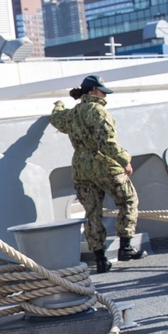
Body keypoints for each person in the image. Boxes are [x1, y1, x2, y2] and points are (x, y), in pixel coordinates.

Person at [50, 73, 145, 273]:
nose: (104, 95)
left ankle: (100, 259)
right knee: (128, 201)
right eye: (102, 91)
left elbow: (57, 118)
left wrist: (58, 104)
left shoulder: (72, 114)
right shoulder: (99, 111)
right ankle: (126, 246)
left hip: (81, 169)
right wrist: (124, 160)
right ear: (93, 91)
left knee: (92, 212)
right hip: (105, 165)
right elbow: (108, 143)